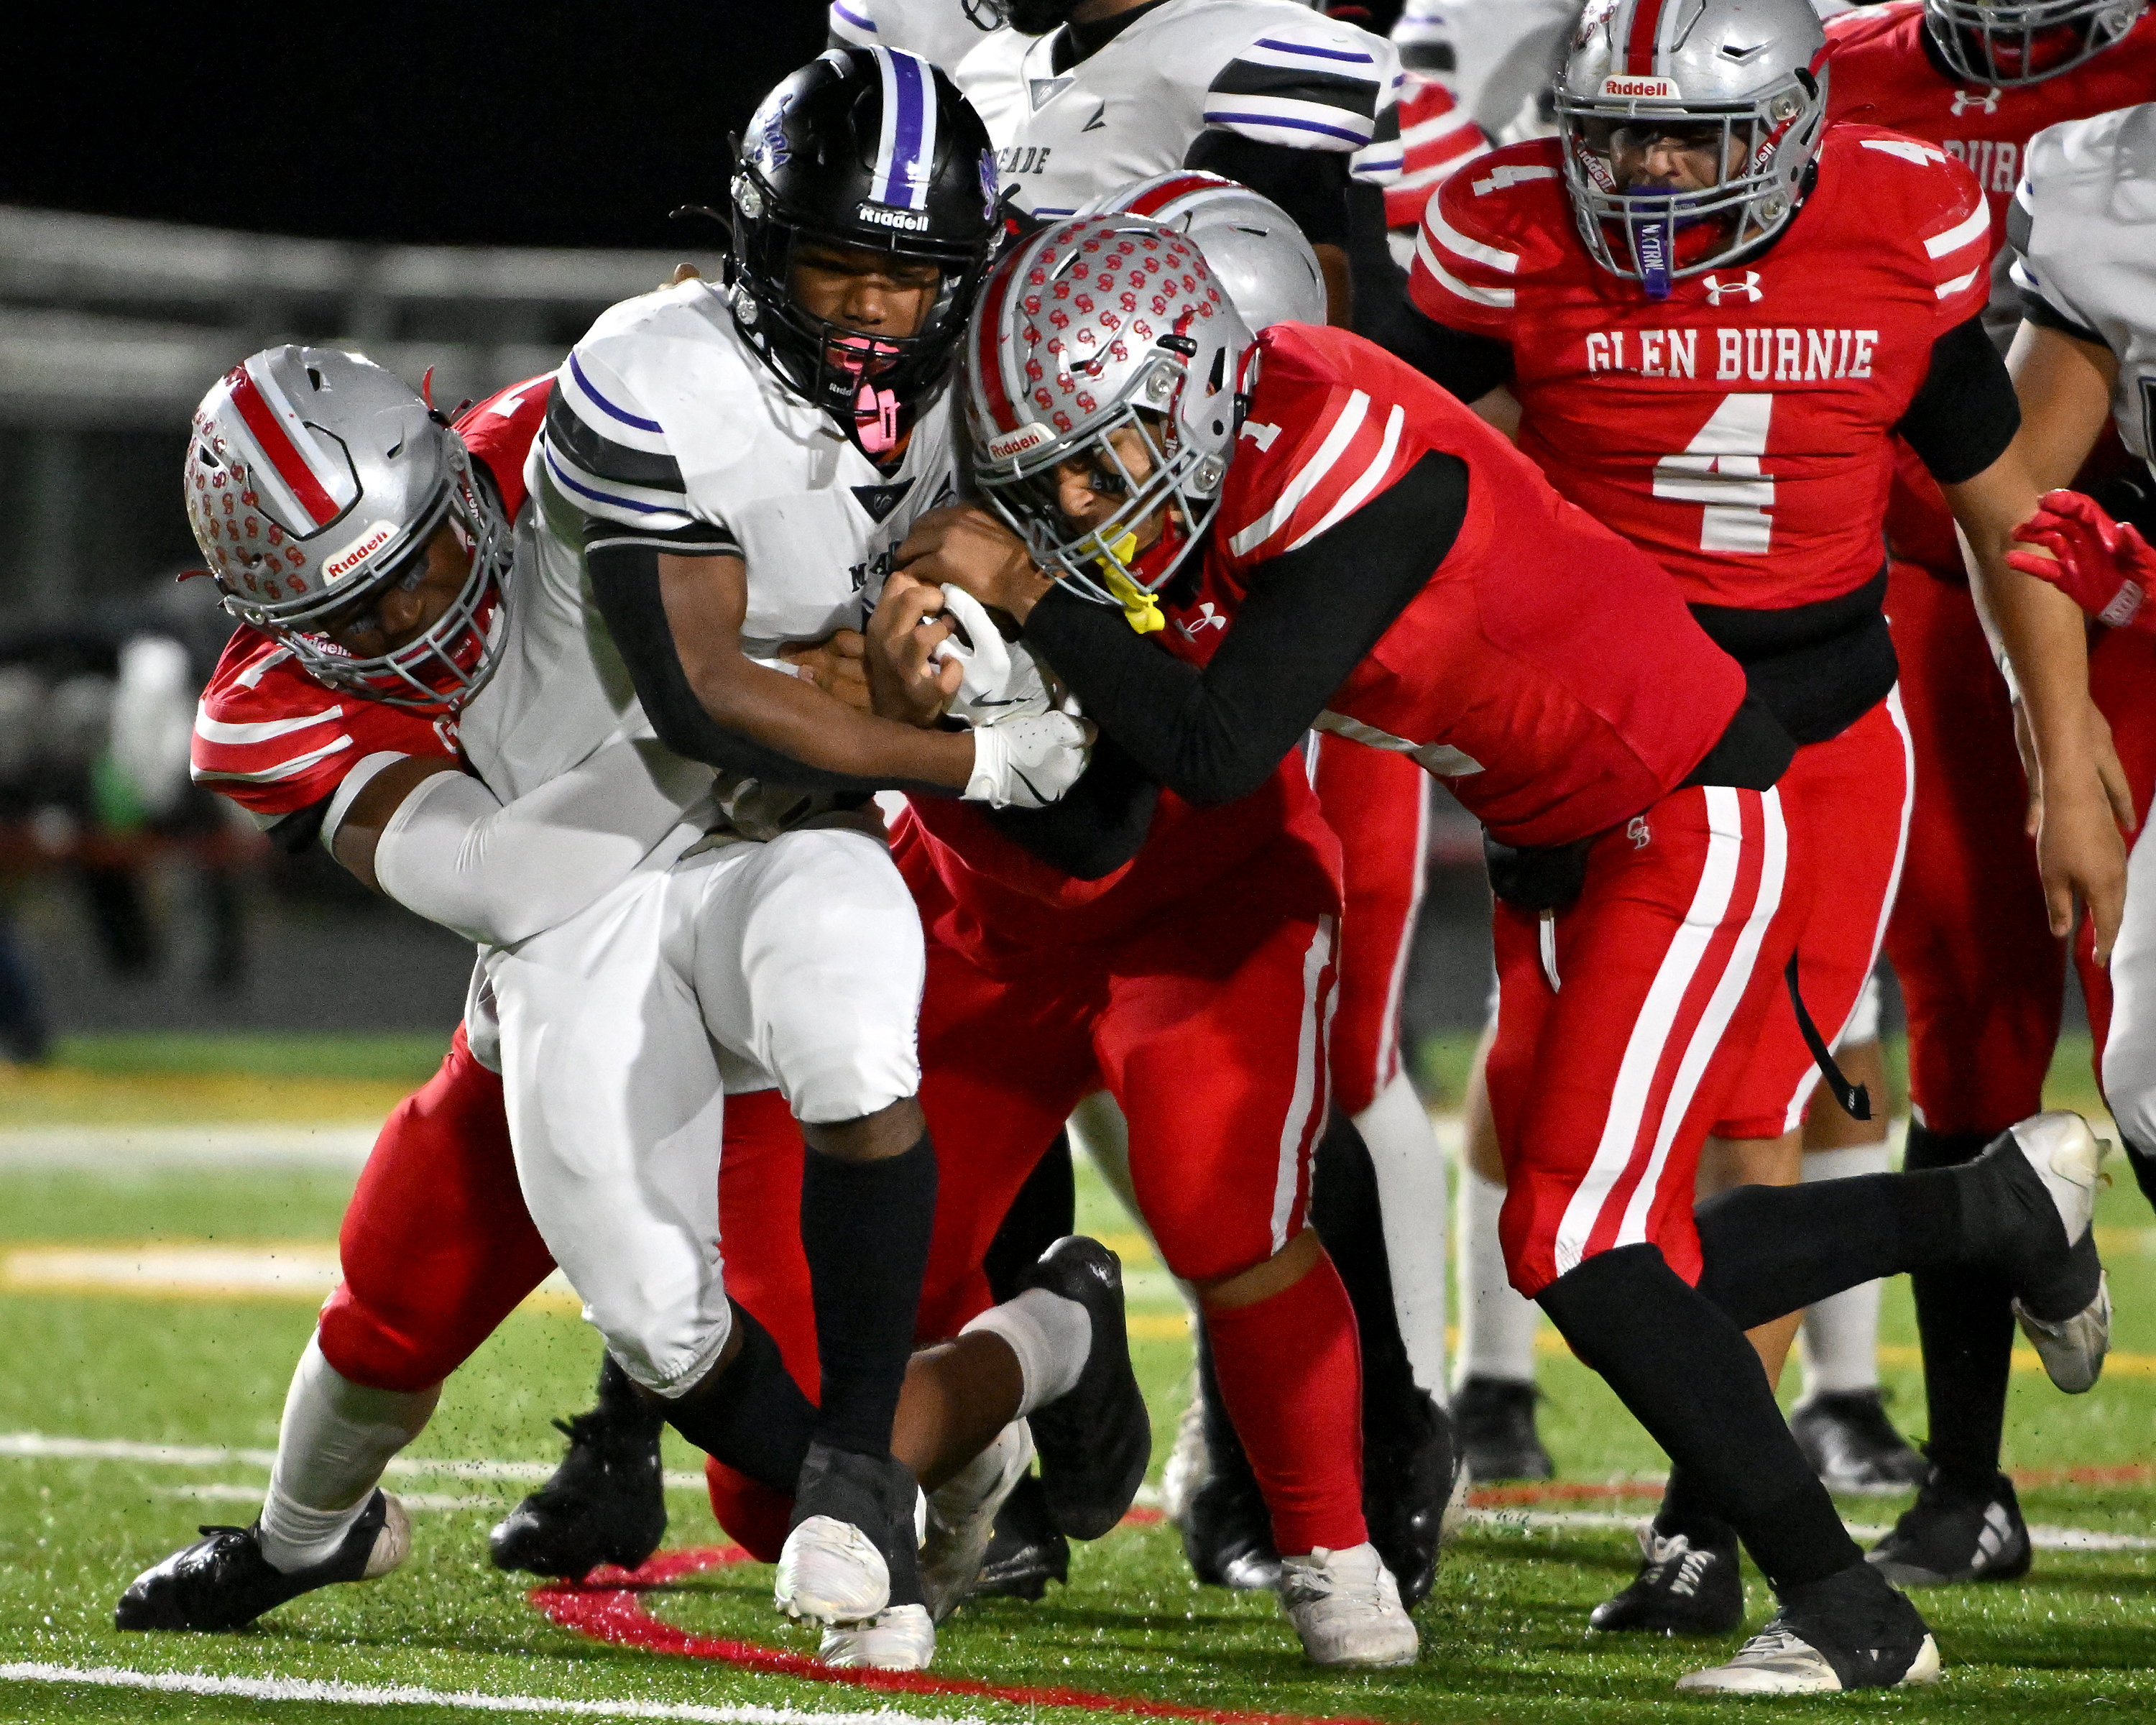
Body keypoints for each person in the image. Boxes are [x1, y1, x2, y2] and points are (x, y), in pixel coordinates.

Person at [903, 206, 2114, 1696]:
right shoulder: (1216, 474)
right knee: (1625, 1248)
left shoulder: (1349, 462)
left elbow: (1215, 753)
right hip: (1588, 832)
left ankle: (1855, 1618)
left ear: (1201, 384)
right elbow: (1115, 810)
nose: (1079, 502)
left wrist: (1033, 599)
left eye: (1096, 460)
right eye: (1048, 480)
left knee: (1576, 1243)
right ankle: (1993, 1213)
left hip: (1692, 807)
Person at [1399, 0, 2134, 1637]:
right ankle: (1992, 1210)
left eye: (1694, 135)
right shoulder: (1518, 240)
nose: (1651, 171)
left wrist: (2061, 755)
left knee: (1727, 1138)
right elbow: (1414, 467)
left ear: (1795, 125)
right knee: (1567, 1148)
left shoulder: (1894, 228)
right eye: (1622, 134)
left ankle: (1706, 1529)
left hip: (1801, 742)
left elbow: (2007, 507)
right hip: (1586, 752)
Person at [954, 0, 1462, 1586]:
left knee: (1267, 1056)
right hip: (995, 584)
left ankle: (1364, 1440)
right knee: (981, 1025)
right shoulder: (976, 78)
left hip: (1182, 597)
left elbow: (1294, 320)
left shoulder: (1263, 43)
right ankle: (1031, 1443)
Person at [1802, 0, 2156, 1567]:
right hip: (1962, 574)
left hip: (2090, 567)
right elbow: (2008, 468)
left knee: (2139, 1045)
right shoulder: (1820, 64)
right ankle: (1964, 1480)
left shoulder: (2127, 93)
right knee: (1966, 1005)